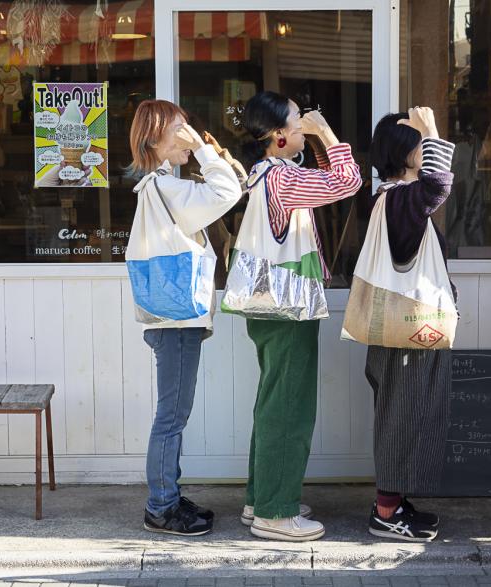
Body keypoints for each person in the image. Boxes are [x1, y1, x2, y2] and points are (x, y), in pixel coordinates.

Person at [239, 90, 362, 541]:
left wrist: (315, 138)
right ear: (277, 136)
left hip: (272, 305)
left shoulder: (269, 174)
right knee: (289, 407)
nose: (305, 124)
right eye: (297, 121)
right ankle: (276, 511)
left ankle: (263, 498)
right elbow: (348, 183)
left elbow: (328, 179)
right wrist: (328, 133)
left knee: (274, 401)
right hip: (286, 307)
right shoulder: (282, 181)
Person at [128, 99, 243, 536]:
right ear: (155, 138)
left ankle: (168, 495)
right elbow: (228, 192)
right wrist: (205, 152)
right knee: (172, 416)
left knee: (173, 413)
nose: (189, 135)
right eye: (180, 128)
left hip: (169, 318)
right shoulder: (167, 187)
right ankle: (161, 506)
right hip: (175, 322)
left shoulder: (161, 187)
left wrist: (199, 151)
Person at [364, 107, 457, 542]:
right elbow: (439, 185)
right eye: (421, 143)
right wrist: (433, 129)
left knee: (404, 413)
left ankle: (395, 502)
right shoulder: (400, 199)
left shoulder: (394, 197)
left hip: (400, 328)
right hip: (405, 332)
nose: (426, 148)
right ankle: (386, 512)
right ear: (405, 153)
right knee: (402, 416)